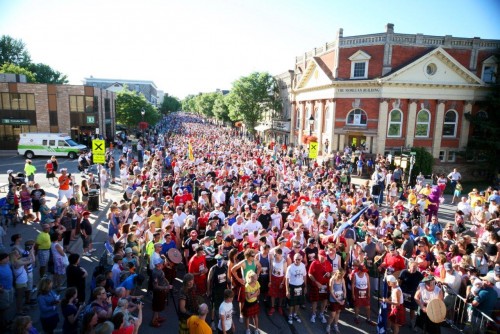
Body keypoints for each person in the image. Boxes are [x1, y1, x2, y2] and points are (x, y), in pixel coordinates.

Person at [307, 249, 331, 324]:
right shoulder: (314, 263)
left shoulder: (328, 263)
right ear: (319, 255)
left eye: (324, 256)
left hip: (325, 286)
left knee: (324, 300)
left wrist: (329, 274)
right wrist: (316, 282)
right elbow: (310, 274)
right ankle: (314, 314)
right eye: (322, 256)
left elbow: (331, 272)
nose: (323, 258)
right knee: (315, 300)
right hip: (316, 285)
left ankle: (321, 314)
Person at [398, 260, 423, 329]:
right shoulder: (404, 272)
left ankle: (412, 322)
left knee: (412, 309)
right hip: (404, 292)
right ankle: (401, 321)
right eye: (413, 266)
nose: (414, 268)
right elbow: (399, 282)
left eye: (415, 267)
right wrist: (398, 291)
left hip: (413, 294)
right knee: (402, 307)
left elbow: (422, 283)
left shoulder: (419, 274)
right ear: (409, 266)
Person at [207, 254, 229, 331]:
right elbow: (209, 280)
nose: (219, 261)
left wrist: (229, 288)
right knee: (213, 306)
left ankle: (223, 319)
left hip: (223, 290)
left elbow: (228, 278)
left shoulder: (226, 267)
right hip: (215, 290)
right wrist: (208, 290)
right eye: (218, 260)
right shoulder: (213, 269)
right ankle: (212, 321)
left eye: (221, 260)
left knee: (223, 304)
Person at [285, 253, 307, 325]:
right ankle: (290, 315)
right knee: (291, 303)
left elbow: (304, 276)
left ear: (301, 259)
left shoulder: (303, 266)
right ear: (293, 259)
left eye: (299, 259)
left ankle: (295, 314)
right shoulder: (290, 267)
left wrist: (305, 286)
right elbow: (287, 279)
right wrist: (287, 290)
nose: (297, 261)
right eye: (296, 259)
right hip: (292, 286)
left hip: (300, 286)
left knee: (298, 302)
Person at [150, 256, 171, 328]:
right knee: (156, 307)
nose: (162, 263)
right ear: (157, 264)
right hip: (158, 292)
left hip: (161, 291)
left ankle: (157, 318)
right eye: (160, 263)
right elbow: (156, 286)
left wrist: (167, 282)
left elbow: (163, 276)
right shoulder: (155, 273)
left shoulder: (160, 270)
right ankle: (153, 321)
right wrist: (167, 287)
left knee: (159, 306)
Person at [351, 260, 373, 325]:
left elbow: (368, 284)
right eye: (363, 271)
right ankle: (356, 317)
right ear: (359, 270)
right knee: (357, 306)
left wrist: (368, 292)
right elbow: (352, 285)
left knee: (368, 306)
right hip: (357, 291)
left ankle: (368, 319)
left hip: (365, 291)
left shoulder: (366, 275)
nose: (364, 272)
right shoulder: (355, 275)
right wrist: (353, 294)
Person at [268, 247, 287, 316]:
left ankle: (279, 306)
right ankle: (272, 307)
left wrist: (282, 282)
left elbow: (285, 273)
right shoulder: (273, 260)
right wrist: (270, 280)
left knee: (280, 294)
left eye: (276, 254)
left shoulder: (284, 261)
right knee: (273, 294)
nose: (275, 255)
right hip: (273, 278)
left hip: (280, 279)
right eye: (274, 254)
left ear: (280, 254)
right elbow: (270, 270)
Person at [327, 269, 346, 334]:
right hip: (334, 299)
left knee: (338, 312)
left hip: (340, 298)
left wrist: (344, 299)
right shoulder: (332, 280)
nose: (343, 276)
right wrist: (337, 301)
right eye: (343, 275)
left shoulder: (342, 279)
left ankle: (335, 325)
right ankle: (328, 325)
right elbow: (331, 292)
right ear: (339, 274)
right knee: (332, 314)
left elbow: (344, 289)